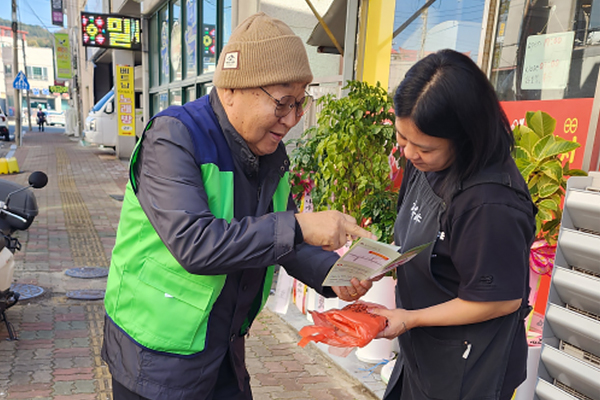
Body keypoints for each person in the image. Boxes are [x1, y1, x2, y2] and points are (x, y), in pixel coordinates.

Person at [101, 12, 374, 400]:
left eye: (300, 103)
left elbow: (285, 241)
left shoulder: (270, 153)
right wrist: (301, 226)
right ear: (230, 89)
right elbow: (196, 244)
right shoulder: (174, 136)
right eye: (283, 103)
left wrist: (334, 274)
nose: (292, 120)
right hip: (154, 357)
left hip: (223, 345)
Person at [370, 49, 537, 400]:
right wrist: (371, 262)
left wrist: (411, 318)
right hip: (425, 351)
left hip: (470, 367)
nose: (409, 154)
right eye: (402, 138)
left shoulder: (491, 202)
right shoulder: (424, 162)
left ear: (465, 136)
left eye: (424, 147)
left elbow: (501, 300)